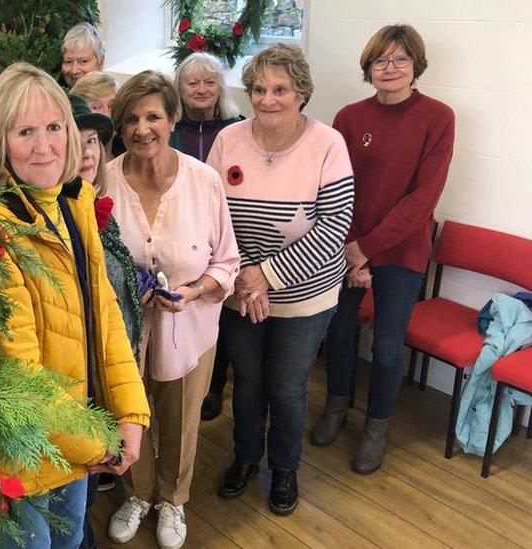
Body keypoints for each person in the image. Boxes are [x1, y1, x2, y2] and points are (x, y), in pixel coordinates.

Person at [0, 62, 150, 549]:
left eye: (54, 127)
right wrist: (100, 443)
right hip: (27, 449)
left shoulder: (74, 202)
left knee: (69, 542)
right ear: (0, 141)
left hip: (78, 435)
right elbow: (21, 378)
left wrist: (130, 414)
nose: (44, 145)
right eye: (25, 131)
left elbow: (106, 319)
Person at [206, 44, 354, 516]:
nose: (267, 99)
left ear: (302, 93)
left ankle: (285, 468)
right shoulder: (229, 139)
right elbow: (212, 216)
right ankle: (247, 457)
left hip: (306, 296)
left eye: (280, 89)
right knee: (247, 383)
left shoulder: (328, 144)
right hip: (240, 290)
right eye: (258, 89)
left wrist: (265, 276)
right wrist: (247, 278)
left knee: (288, 387)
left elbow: (334, 227)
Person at [104, 71, 240, 549]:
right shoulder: (103, 182)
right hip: (123, 332)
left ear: (173, 118)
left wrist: (198, 289)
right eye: (131, 120)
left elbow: (227, 260)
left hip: (190, 329)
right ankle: (137, 493)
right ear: (119, 128)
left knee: (181, 419)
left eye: (153, 116)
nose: (143, 128)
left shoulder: (204, 181)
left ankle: (172, 500)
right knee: (129, 412)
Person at [314, 24, 454, 474]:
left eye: (400, 60)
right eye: (380, 60)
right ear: (368, 67)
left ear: (416, 66)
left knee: (389, 347)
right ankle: (337, 407)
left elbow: (422, 200)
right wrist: (350, 249)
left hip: (400, 250)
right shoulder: (350, 117)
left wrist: (367, 251)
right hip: (346, 243)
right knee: (339, 332)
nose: (389, 68)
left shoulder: (438, 117)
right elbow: (336, 188)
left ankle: (376, 427)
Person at [69, 94, 142, 549]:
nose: (86, 152)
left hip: (108, 378)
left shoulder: (96, 207)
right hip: (79, 391)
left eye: (92, 141)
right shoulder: (61, 219)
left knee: (89, 493)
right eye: (73, 141)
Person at [170, 52, 245, 422]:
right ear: (179, 89)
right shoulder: (171, 131)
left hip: (227, 235)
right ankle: (187, 381)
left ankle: (214, 387)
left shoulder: (238, 128)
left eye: (209, 82)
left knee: (221, 317)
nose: (201, 89)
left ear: (220, 87)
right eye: (192, 82)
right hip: (183, 237)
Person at [61, 22, 105, 87]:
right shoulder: (56, 94)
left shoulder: (112, 95)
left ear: (100, 63)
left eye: (83, 61)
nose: (74, 71)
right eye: (68, 62)